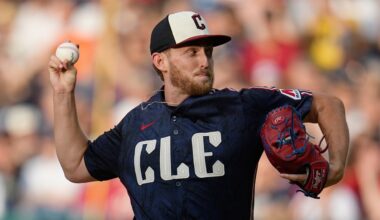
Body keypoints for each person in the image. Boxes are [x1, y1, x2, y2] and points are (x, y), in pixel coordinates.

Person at [48, 11, 349, 220]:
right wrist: (63, 94)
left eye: (208, 51)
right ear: (160, 61)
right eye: (191, 52)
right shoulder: (136, 123)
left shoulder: (244, 106)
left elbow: (328, 105)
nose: (204, 61)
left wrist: (335, 167)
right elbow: (76, 166)